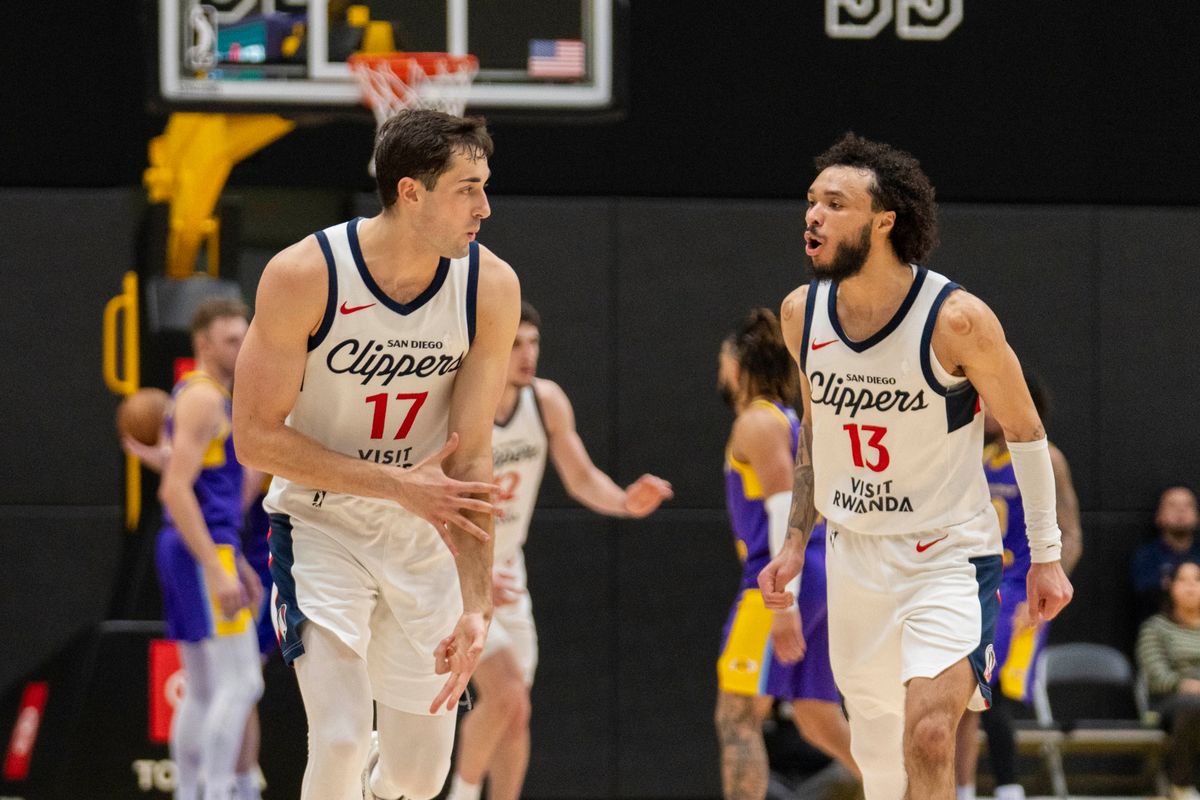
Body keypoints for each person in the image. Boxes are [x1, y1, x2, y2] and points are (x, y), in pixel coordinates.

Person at [757, 132, 1074, 800]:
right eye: (811, 201)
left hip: (948, 558)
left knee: (930, 733)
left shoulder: (956, 320)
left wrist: (1045, 555)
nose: (812, 215)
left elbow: (1025, 430)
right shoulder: (799, 314)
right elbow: (816, 434)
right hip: (853, 557)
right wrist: (794, 539)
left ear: (883, 221)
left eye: (834, 203)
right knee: (877, 762)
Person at [232, 109, 521, 800]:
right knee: (335, 738)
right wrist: (396, 484)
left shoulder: (490, 287)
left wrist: (479, 603)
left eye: (485, 186)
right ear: (409, 191)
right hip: (321, 526)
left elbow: (473, 458)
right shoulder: (305, 273)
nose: (485, 207)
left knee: (417, 781)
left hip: (424, 542)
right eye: (467, 188)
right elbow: (254, 436)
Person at [444, 300, 673, 800]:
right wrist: (465, 571)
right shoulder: (460, 406)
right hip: (456, 572)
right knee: (503, 695)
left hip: (509, 569)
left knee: (517, 711)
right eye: (515, 345)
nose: (528, 356)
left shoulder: (546, 402)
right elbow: (429, 500)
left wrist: (626, 503)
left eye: (533, 344)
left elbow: (582, 478)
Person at [713, 309, 860, 800]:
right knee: (819, 718)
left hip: (779, 578)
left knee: (737, 715)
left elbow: (783, 513)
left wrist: (784, 603)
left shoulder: (757, 422)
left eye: (723, 361)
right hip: (818, 573)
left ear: (738, 365)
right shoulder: (789, 420)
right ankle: (904, 791)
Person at [152, 297, 265, 800]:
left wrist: (234, 560)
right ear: (202, 344)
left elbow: (202, 492)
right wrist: (219, 568)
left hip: (198, 547)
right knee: (241, 684)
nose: (241, 349)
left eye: (245, 338)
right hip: (200, 551)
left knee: (203, 688)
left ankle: (193, 792)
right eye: (230, 340)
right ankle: (215, 793)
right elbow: (175, 491)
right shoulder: (204, 399)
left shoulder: (204, 396)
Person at [952, 375, 1083, 800]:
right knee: (963, 694)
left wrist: (1050, 581)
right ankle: (963, 789)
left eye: (993, 402)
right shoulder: (972, 455)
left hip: (1022, 591)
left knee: (995, 696)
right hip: (977, 586)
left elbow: (1072, 533)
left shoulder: (1048, 457)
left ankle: (1010, 789)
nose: (985, 410)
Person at [126, 429, 272, 800]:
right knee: (240, 684)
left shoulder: (197, 401)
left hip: (208, 546)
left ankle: (203, 790)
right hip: (228, 550)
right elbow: (218, 494)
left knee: (212, 685)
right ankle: (224, 790)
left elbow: (195, 478)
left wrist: (166, 460)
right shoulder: (214, 401)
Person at [1135, 559, 1200, 800]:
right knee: (1192, 705)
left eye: (1197, 580)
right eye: (1183, 580)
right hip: (1170, 701)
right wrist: (1185, 685)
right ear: (1170, 586)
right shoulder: (1156, 627)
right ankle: (1180, 785)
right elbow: (1155, 675)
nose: (1191, 586)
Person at [1133, 487, 1200, 619]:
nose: (1181, 510)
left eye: (1188, 505)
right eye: (1172, 505)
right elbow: (1148, 597)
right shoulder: (1146, 557)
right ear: (1159, 516)